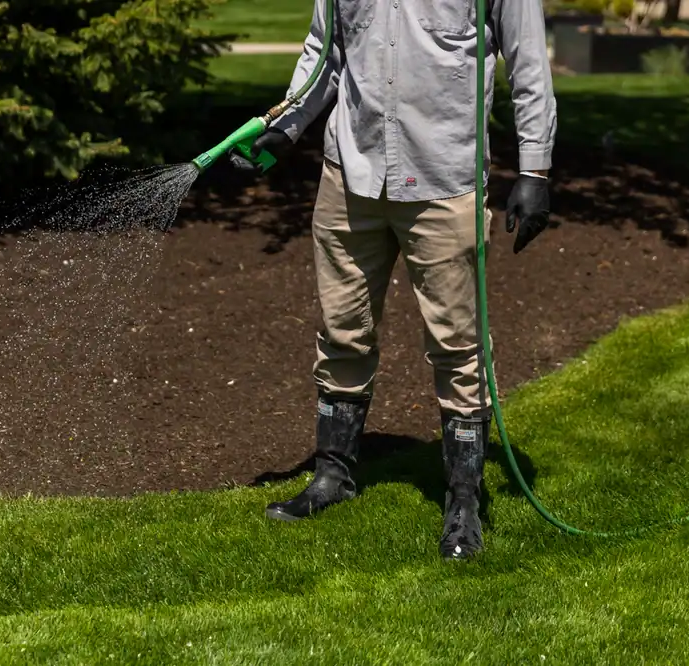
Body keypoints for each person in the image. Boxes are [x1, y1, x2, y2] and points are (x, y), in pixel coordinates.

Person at [229, 0, 555, 560]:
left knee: (459, 347)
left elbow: (528, 64)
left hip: (444, 177)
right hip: (348, 174)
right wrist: (287, 127)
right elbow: (325, 50)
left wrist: (534, 170)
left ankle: (463, 501)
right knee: (342, 330)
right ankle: (334, 475)